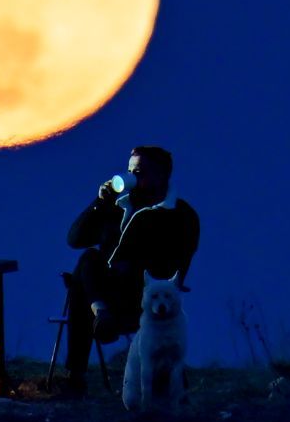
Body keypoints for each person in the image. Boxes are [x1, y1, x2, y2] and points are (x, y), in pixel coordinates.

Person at [62, 146, 200, 393]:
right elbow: (75, 239)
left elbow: (175, 265)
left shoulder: (180, 215)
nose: (132, 178)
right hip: (104, 292)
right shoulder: (117, 207)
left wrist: (132, 264)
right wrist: (99, 203)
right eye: (130, 171)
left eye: (139, 172)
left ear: (161, 175)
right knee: (88, 261)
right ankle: (101, 315)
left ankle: (76, 376)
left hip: (146, 296)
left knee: (84, 282)